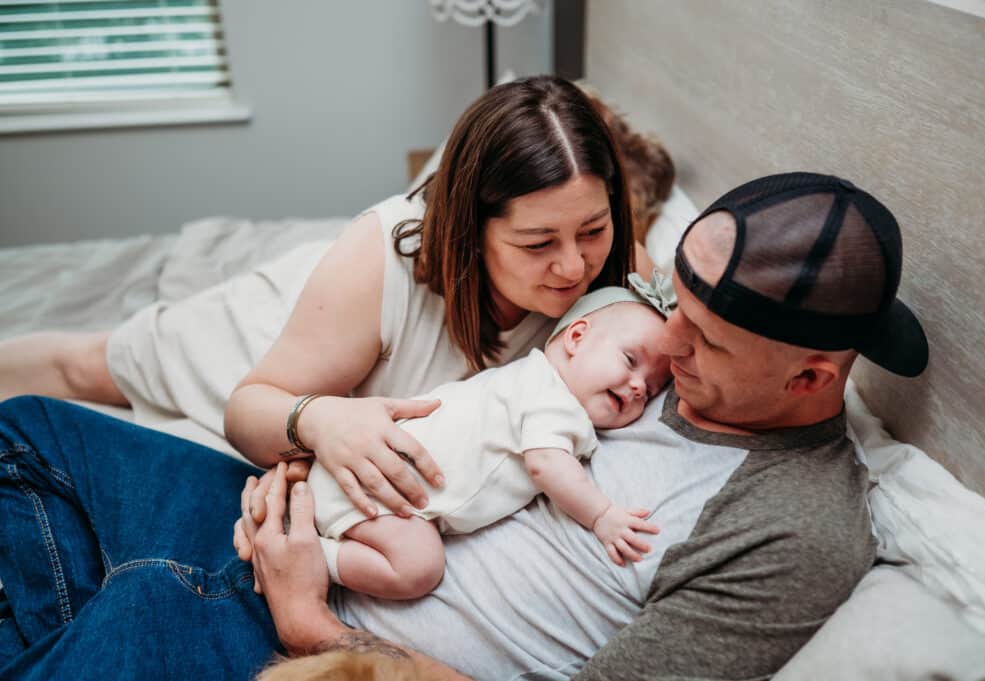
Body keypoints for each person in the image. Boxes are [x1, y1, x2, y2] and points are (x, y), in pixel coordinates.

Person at [0, 171, 929, 681]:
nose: (665, 342)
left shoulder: (794, 529)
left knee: (143, 601)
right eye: (672, 303)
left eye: (707, 341)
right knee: (34, 430)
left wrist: (311, 623)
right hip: (303, 514)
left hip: (330, 642)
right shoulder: (662, 343)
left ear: (812, 375)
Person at [309, 281, 673, 597]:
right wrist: (602, 516)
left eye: (653, 388)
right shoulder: (551, 396)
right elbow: (547, 464)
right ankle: (311, 558)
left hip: (373, 482)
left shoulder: (528, 382)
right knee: (419, 568)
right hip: (375, 490)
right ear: (576, 337)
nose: (640, 386)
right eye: (629, 360)